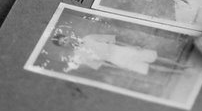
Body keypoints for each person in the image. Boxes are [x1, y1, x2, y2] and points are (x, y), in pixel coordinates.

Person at [52, 33, 189, 75]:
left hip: (121, 50)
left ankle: (182, 66)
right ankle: (179, 72)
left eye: (64, 39)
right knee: (150, 68)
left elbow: (113, 40)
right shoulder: (78, 56)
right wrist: (116, 66)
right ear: (63, 46)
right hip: (116, 60)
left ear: (67, 37)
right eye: (63, 43)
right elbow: (100, 63)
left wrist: (132, 46)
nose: (66, 42)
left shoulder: (88, 38)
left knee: (155, 58)